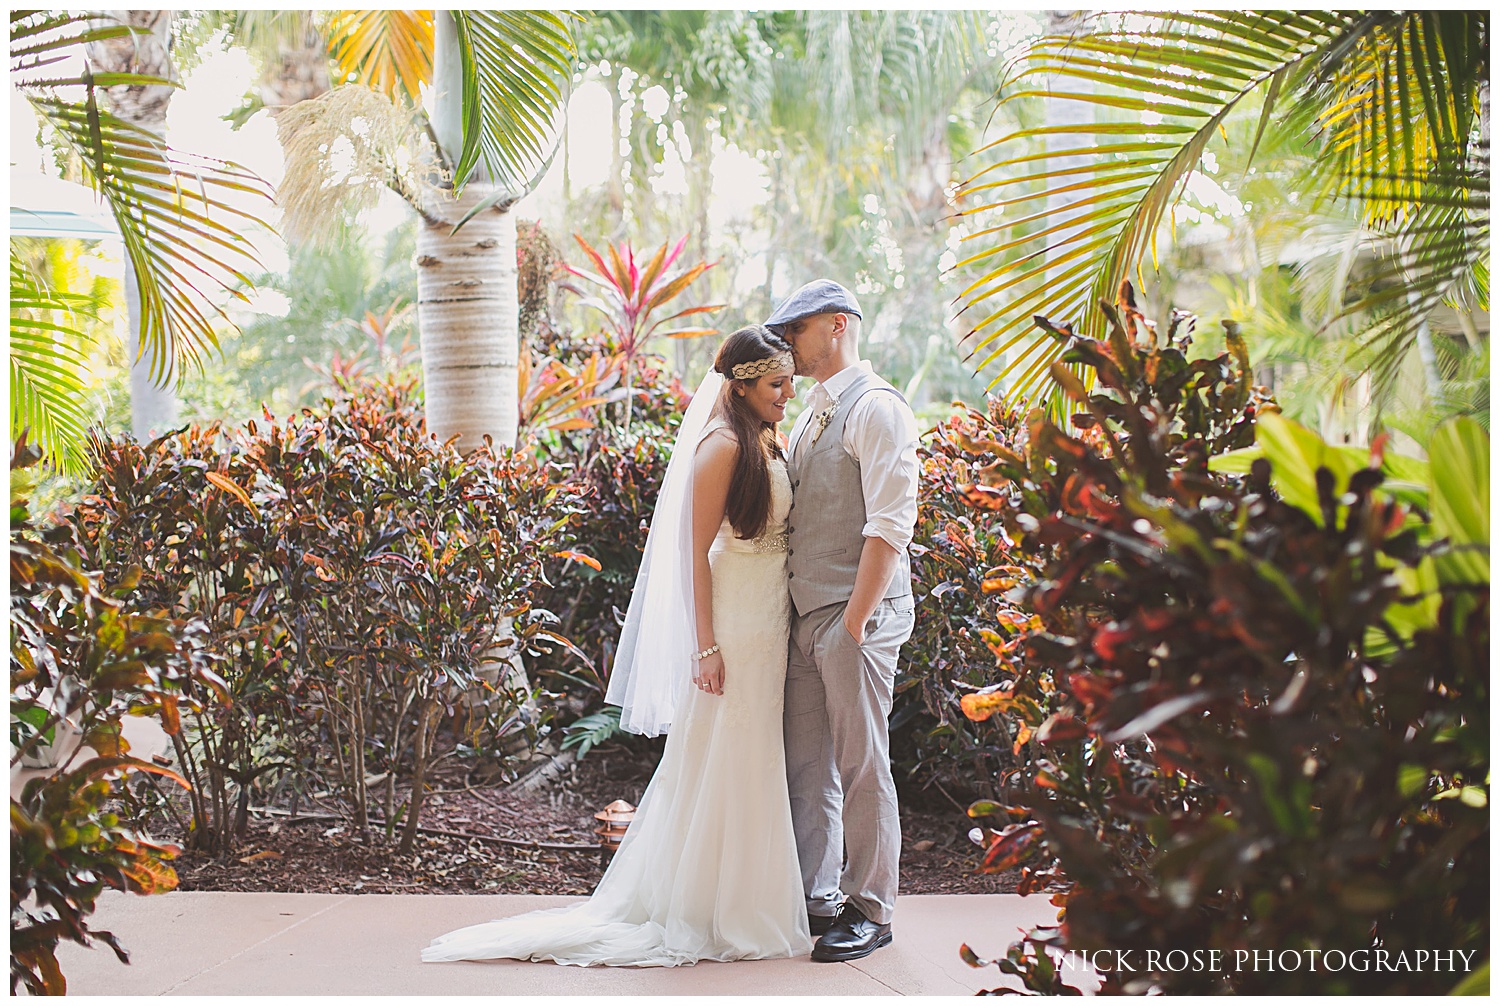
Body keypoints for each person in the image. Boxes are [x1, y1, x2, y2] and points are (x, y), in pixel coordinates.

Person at [422, 326, 811, 967]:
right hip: (735, 626)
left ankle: (741, 900)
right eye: (776, 384)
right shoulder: (718, 447)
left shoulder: (764, 439)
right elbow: (694, 555)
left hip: (769, 622)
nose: (786, 394)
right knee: (725, 758)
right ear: (740, 384)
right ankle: (713, 909)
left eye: (789, 382)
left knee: (751, 758)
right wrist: (705, 648)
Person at [766, 280, 920, 963]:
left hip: (853, 618)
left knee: (861, 764)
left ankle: (871, 907)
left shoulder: (878, 408)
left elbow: (890, 526)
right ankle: (819, 896)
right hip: (807, 616)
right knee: (810, 765)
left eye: (793, 331)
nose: (785, 346)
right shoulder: (808, 416)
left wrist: (855, 624)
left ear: (836, 326)